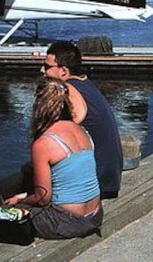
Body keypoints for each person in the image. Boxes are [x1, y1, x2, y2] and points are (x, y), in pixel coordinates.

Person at [0, 77, 102, 241]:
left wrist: (22, 200)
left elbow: (42, 197)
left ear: (39, 105)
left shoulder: (44, 143)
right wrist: (22, 196)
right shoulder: (82, 131)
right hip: (95, 216)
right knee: (17, 201)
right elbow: (68, 181)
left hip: (66, 222)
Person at [42, 41, 123, 199]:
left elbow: (52, 140)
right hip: (110, 177)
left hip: (96, 185)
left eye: (47, 67)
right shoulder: (85, 84)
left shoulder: (68, 92)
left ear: (64, 71)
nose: (42, 71)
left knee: (12, 185)